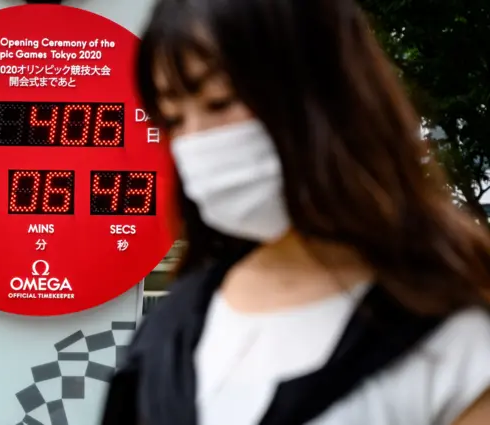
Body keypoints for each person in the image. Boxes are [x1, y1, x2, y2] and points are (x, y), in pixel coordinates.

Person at [101, 0, 490, 424]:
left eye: (220, 102)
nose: (195, 142)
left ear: (330, 96)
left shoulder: (457, 345)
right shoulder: (170, 333)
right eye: (173, 119)